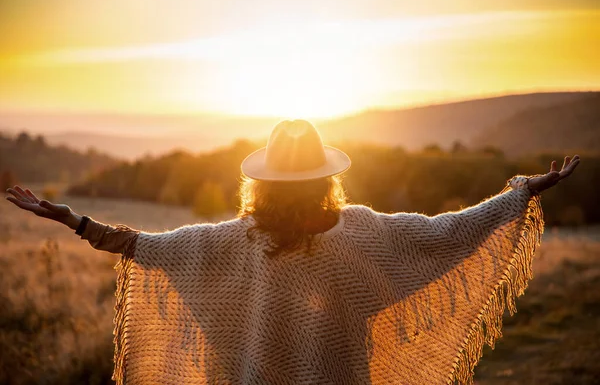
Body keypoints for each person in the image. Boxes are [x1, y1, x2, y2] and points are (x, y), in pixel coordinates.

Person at [5, 120, 580, 385]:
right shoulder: (364, 231)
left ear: (265, 183)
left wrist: (67, 217)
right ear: (323, 179)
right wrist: (522, 191)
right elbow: (449, 232)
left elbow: (141, 246)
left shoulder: (231, 240)